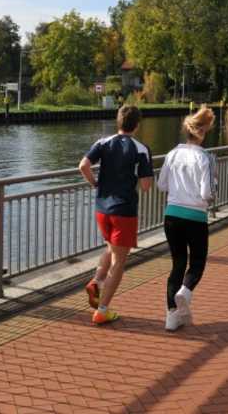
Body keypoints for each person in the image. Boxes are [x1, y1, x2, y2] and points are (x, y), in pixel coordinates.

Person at [78, 104, 154, 324]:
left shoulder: (102, 142)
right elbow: (146, 186)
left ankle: (96, 282)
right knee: (119, 262)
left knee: (111, 248)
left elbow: (83, 165)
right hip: (124, 210)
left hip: (102, 208)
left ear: (118, 121)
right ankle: (102, 310)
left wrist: (95, 184)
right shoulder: (141, 149)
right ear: (137, 125)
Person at [156, 105, 217, 331]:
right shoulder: (205, 157)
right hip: (195, 216)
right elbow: (206, 193)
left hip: (172, 215)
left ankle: (171, 318)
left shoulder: (172, 154)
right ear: (203, 132)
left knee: (178, 264)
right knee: (197, 262)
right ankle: (185, 292)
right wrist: (213, 191)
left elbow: (161, 185)